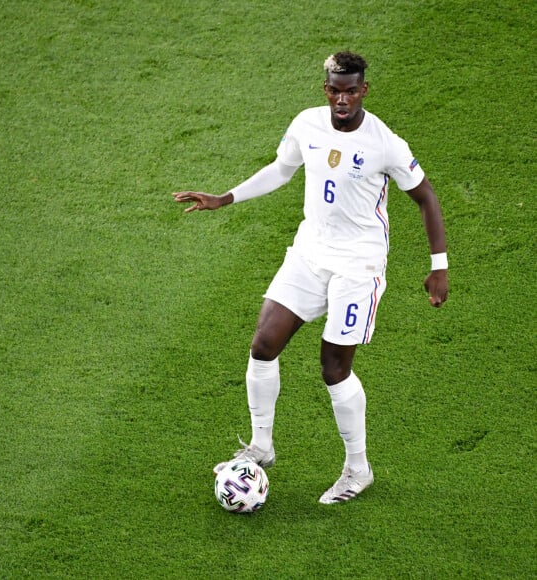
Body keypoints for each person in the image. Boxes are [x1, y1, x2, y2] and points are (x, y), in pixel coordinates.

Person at [173, 51, 448, 504]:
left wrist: (438, 267)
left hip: (358, 264)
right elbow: (282, 169)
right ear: (326, 90)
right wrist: (224, 198)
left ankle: (357, 470)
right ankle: (261, 446)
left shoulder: (385, 144)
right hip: (310, 251)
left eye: (351, 90)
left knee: (333, 369)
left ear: (364, 90)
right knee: (263, 345)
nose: (343, 99)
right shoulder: (306, 124)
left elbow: (426, 198)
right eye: (335, 90)